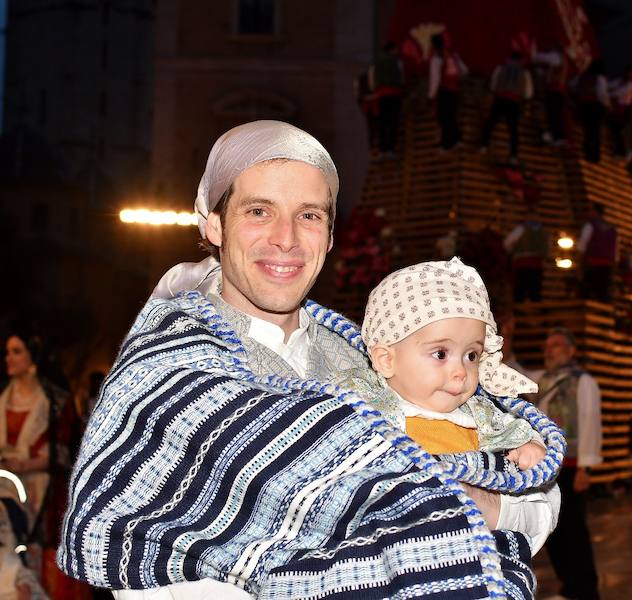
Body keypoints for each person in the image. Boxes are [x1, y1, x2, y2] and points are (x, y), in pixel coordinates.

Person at [59, 120, 560, 599]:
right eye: (258, 211)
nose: (286, 237)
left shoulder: (370, 358)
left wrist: (485, 507)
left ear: (331, 235)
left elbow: (536, 492)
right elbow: (149, 564)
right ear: (212, 224)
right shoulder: (168, 372)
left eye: (309, 215)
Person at [334, 257, 560, 553]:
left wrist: (527, 445)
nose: (460, 372)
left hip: (465, 548)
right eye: (441, 353)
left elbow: (508, 429)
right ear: (386, 359)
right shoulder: (367, 407)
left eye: (471, 356)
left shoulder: (477, 412)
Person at [2, 330, 88, 598]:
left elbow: (69, 453)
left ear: (33, 356)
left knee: (44, 563)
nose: (9, 358)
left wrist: (27, 464)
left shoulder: (54, 402)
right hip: (5, 492)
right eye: (7, 352)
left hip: (44, 496)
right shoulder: (2, 399)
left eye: (17, 352)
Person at [528, 328, 602, 600]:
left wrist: (586, 467)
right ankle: (569, 586)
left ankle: (584, 589)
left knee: (574, 530)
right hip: (547, 468)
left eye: (557, 345)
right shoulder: (540, 380)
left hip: (570, 467)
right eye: (547, 345)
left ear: (572, 351)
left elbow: (590, 421)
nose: (550, 350)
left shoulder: (583, 383)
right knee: (553, 529)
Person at [479, 50, 533, 164]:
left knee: (490, 122)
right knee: (513, 129)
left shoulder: (501, 67)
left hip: (500, 99)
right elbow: (528, 93)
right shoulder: (524, 72)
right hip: (514, 102)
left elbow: (493, 85)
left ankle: (483, 145)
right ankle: (513, 155)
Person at [428, 33, 468, 151]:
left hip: (444, 90)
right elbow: (464, 70)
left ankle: (446, 144)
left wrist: (430, 96)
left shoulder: (436, 58)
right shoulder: (452, 55)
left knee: (443, 117)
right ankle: (456, 139)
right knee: (451, 115)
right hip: (454, 90)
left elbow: (435, 78)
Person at [504, 203, 549, 302]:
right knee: (521, 289)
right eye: (530, 215)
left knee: (535, 290)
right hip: (522, 263)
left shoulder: (541, 231)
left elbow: (546, 246)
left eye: (534, 215)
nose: (532, 218)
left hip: (536, 263)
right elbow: (507, 243)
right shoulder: (521, 229)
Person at [368, 41, 405, 158]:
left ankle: (382, 149)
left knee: (382, 123)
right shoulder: (397, 62)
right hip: (394, 94)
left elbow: (372, 78)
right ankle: (390, 148)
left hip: (381, 95)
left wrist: (375, 89)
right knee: (393, 122)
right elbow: (402, 77)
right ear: (392, 49)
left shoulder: (376, 62)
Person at [572, 58, 610, 163]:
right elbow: (602, 95)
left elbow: (572, 86)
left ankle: (588, 153)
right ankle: (595, 156)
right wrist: (607, 106)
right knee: (595, 132)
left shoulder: (582, 77)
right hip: (595, 108)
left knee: (588, 131)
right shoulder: (600, 79)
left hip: (583, 107)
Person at [577, 205, 618, 301]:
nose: (587, 213)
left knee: (586, 290)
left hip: (592, 263)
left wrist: (579, 259)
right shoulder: (612, 229)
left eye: (590, 210)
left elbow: (583, 243)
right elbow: (616, 249)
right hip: (606, 266)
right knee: (602, 292)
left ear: (595, 212)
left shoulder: (590, 225)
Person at [533, 44, 569, 146]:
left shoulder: (557, 57)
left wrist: (534, 54)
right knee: (553, 113)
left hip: (555, 90)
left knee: (553, 113)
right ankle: (554, 136)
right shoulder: (560, 61)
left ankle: (556, 136)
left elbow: (541, 58)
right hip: (556, 90)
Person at [608, 66, 632, 157]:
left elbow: (619, 93)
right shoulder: (620, 81)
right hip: (616, 108)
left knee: (620, 130)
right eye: (629, 72)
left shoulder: (631, 85)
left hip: (623, 109)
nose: (630, 75)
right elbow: (610, 85)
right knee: (614, 129)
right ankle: (618, 150)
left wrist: (608, 94)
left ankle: (621, 151)